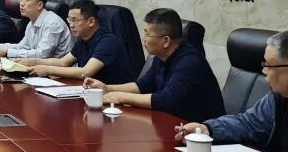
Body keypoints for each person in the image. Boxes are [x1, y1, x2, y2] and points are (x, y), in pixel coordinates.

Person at [83, 8, 224, 123]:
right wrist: (107, 88)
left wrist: (120, 97)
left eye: (147, 34)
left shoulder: (190, 62)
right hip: (172, 123)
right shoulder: (161, 56)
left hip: (201, 134)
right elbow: (142, 86)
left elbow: (166, 100)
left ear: (166, 41)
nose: (143, 39)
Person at [18, 0, 136, 84]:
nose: (71, 25)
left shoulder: (108, 41)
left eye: (75, 20)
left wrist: (47, 70)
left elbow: (86, 72)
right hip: (90, 90)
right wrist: (33, 61)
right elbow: (63, 62)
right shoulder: (83, 39)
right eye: (69, 20)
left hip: (114, 96)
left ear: (91, 21)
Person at [0, 0, 72, 60]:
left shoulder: (52, 23)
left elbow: (42, 55)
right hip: (39, 67)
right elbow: (22, 46)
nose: (21, 3)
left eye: (26, 0)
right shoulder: (31, 22)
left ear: (39, 5)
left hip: (57, 71)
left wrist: (7, 52)